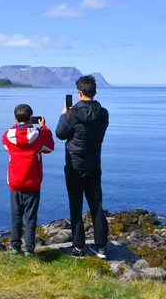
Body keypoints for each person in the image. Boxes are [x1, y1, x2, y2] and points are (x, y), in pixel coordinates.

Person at [56, 75, 109, 259]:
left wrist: (64, 114)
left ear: (79, 93)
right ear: (94, 92)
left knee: (75, 206)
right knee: (97, 206)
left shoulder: (72, 114)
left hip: (74, 166)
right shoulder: (103, 113)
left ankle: (78, 247)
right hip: (94, 165)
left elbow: (60, 134)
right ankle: (101, 247)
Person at [2, 104, 54, 256]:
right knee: (30, 218)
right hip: (32, 183)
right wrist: (44, 128)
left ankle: (15, 247)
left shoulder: (7, 136)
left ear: (15, 118)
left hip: (15, 182)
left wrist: (18, 126)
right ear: (31, 118)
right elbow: (49, 148)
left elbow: (6, 145)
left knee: (16, 217)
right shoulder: (38, 135)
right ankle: (29, 250)